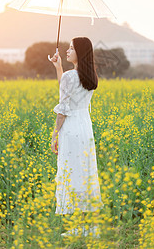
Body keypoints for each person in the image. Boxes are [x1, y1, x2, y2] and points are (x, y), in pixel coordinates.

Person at [49, 37, 104, 236]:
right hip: (85, 128)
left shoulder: (70, 77)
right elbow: (68, 90)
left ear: (79, 52)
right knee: (85, 174)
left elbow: (63, 108)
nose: (67, 51)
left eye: (71, 48)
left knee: (73, 174)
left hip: (71, 129)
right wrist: (59, 67)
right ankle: (91, 227)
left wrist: (55, 135)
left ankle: (82, 228)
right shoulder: (90, 76)